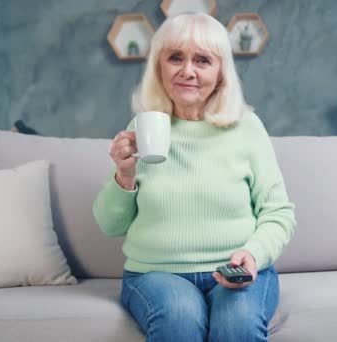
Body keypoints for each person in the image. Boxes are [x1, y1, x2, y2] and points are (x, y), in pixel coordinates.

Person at [93, 12, 296, 342]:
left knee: (238, 326)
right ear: (160, 67)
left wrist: (254, 256)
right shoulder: (142, 128)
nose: (187, 71)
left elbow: (278, 213)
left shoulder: (247, 128)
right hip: (155, 274)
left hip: (236, 271)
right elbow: (110, 225)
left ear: (220, 74)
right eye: (175, 58)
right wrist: (124, 174)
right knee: (179, 318)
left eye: (202, 60)